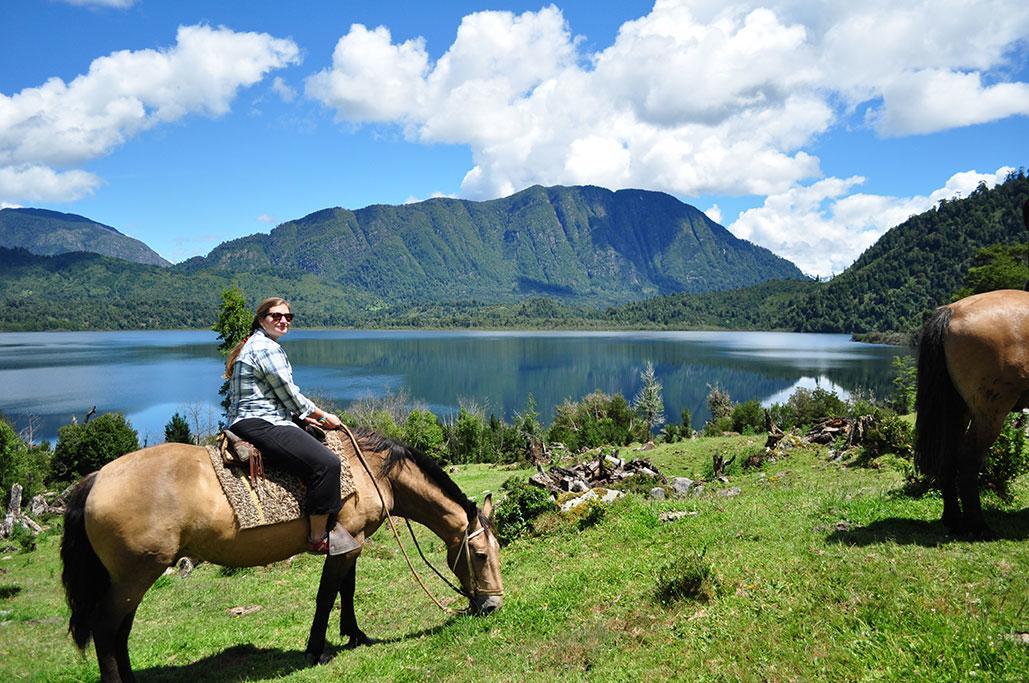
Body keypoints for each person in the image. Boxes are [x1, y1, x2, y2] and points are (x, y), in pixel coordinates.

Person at [224, 296, 358, 555]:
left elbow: (277, 397)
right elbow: (290, 395)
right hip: (260, 422)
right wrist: (322, 415)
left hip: (260, 417)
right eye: (275, 316)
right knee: (327, 464)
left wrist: (302, 417)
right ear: (262, 319)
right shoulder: (265, 348)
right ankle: (318, 538)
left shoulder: (256, 344)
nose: (283, 320)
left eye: (288, 317)